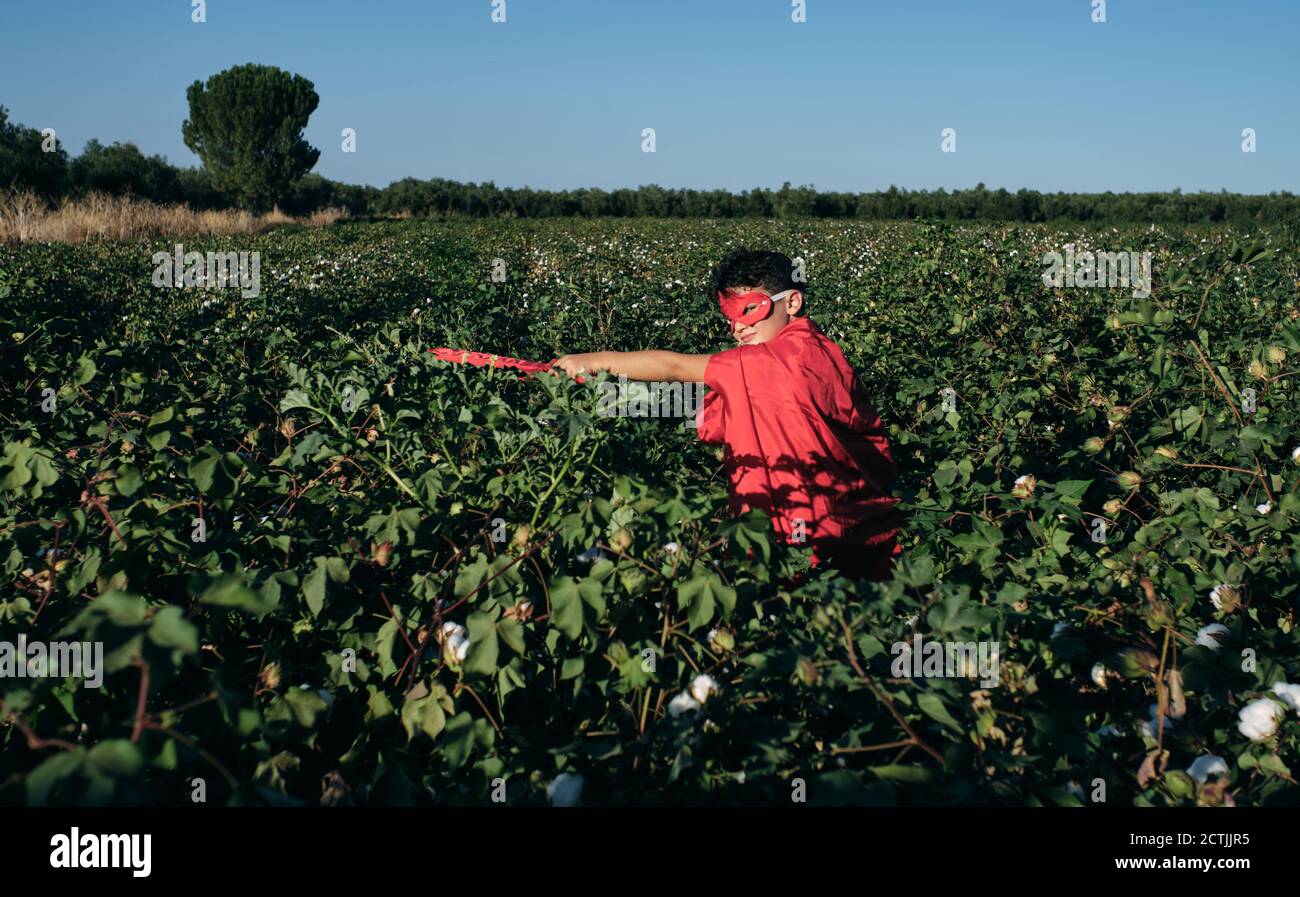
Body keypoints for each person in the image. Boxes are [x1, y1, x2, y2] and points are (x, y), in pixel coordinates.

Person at [552, 248, 903, 582]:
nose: (737, 327)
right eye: (729, 317)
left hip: (800, 541)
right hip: (860, 534)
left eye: (749, 310)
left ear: (792, 302)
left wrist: (590, 362)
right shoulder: (820, 349)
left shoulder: (770, 362)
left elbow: (674, 367)